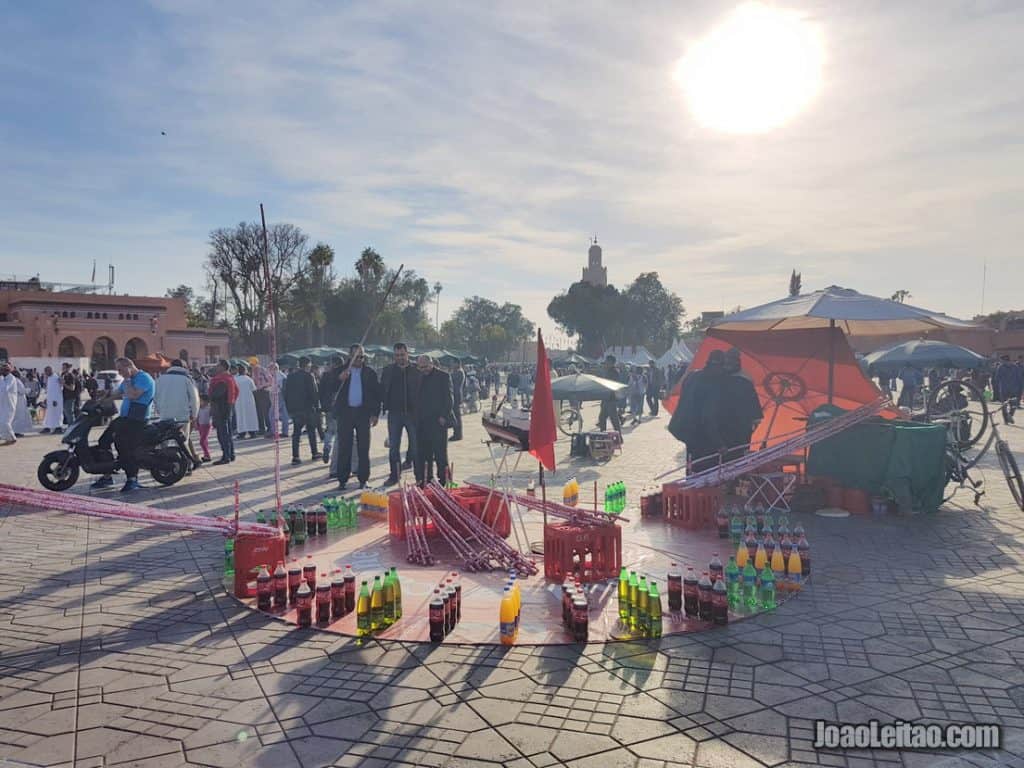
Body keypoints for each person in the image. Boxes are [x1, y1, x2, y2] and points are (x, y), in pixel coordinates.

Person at [92, 357, 156, 492]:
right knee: (104, 440)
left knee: (124, 447)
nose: (119, 373)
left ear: (129, 366)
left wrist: (127, 379)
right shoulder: (128, 380)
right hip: (125, 418)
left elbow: (133, 395)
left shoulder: (144, 378)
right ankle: (107, 474)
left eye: (120, 369)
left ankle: (132, 480)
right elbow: (118, 393)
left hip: (137, 420)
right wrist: (101, 400)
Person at [668, 349, 727, 472]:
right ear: (719, 367)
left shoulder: (692, 375)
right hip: (701, 434)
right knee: (703, 470)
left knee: (691, 463)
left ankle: (690, 482)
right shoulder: (712, 384)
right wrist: (719, 444)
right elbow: (708, 417)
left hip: (685, 428)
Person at [333, 345, 381, 489]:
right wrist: (339, 379)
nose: (359, 359)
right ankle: (342, 479)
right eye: (356, 356)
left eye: (362, 356)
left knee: (363, 447)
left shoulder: (370, 373)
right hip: (345, 413)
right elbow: (327, 388)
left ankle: (363, 479)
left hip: (363, 413)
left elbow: (376, 395)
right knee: (344, 447)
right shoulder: (339, 371)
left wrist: (375, 414)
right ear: (350, 356)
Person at [380, 342, 421, 485]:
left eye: (402, 355)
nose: (400, 358)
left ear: (407, 353)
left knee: (416, 447)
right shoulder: (388, 370)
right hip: (394, 414)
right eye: (397, 355)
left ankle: (419, 476)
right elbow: (381, 390)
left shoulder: (417, 370)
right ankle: (394, 475)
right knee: (394, 447)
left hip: (413, 414)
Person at [155, 358, 201, 470]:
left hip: (165, 416)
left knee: (164, 441)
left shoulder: (160, 379)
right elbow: (195, 399)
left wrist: (159, 411)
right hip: (182, 416)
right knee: (183, 442)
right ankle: (186, 466)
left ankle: (165, 465)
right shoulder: (186, 379)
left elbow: (155, 397)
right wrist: (194, 415)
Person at [719, 348, 764, 461]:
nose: (729, 363)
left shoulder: (745, 379)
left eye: (731, 360)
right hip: (727, 424)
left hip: (738, 424)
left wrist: (755, 420)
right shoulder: (719, 377)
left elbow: (752, 401)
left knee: (735, 454)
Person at [415, 354, 453, 485]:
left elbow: (449, 399)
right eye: (420, 367)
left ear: (431, 364)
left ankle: (445, 481)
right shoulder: (418, 376)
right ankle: (427, 480)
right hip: (422, 422)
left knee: (440, 454)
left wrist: (443, 416)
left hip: (438, 422)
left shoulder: (443, 376)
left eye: (425, 366)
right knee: (424, 454)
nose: (423, 369)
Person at [284, 356, 320, 465]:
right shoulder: (309, 376)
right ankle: (314, 453)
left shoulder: (290, 377)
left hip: (295, 409)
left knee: (296, 433)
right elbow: (314, 392)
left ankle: (295, 457)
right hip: (308, 408)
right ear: (308, 365)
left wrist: (289, 408)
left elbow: (285, 393)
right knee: (311, 432)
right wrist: (317, 407)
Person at [209, 360, 239, 465]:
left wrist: (209, 396)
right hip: (229, 407)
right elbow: (237, 391)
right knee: (228, 433)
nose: (216, 367)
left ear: (222, 367)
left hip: (220, 409)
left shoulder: (221, 380)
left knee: (222, 434)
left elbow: (216, 395)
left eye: (218, 365)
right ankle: (231, 454)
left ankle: (226, 456)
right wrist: (231, 403)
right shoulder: (230, 378)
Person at [319, 355, 346, 469]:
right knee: (339, 432)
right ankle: (336, 456)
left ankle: (326, 447)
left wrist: (322, 405)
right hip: (339, 406)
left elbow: (320, 391)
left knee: (329, 430)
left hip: (328, 406)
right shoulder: (343, 375)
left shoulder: (325, 375)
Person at [993, 354, 1023, 425]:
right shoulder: (1015, 367)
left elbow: (996, 379)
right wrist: (1021, 388)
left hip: (1003, 389)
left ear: (1003, 360)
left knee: (1004, 405)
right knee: (1013, 405)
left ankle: (1006, 420)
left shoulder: (1000, 367)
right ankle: (1010, 415)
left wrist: (996, 388)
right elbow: (1020, 379)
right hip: (1013, 389)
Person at [597, 355, 622, 433]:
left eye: (607, 362)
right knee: (602, 418)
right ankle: (602, 434)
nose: (606, 363)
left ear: (611, 362)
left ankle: (619, 436)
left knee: (613, 418)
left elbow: (613, 384)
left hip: (611, 398)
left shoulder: (614, 372)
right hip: (606, 398)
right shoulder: (608, 371)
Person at [233, 364, 259, 439]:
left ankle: (242, 433)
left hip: (239, 400)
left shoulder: (235, 379)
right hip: (249, 400)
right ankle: (252, 432)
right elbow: (254, 389)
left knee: (241, 416)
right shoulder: (249, 379)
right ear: (245, 371)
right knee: (251, 416)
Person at [41, 365, 64, 433]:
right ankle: (47, 427)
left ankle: (58, 428)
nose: (45, 373)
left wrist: (55, 400)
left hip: (56, 400)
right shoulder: (49, 378)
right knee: (49, 414)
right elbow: (50, 390)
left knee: (57, 414)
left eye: (46, 372)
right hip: (50, 400)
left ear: (50, 370)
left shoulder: (56, 377)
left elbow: (59, 389)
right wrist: (46, 399)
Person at [252, 361, 272, 435]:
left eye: (252, 364)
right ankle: (261, 428)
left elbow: (270, 381)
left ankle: (269, 428)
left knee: (266, 411)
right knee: (259, 412)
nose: (252, 366)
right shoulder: (253, 372)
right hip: (257, 392)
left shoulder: (263, 371)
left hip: (264, 391)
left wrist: (263, 386)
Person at [0, 362, 17, 446]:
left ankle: (12, 438)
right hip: (3, 404)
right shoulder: (4, 379)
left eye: (2, 370)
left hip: (9, 404)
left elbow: (5, 389)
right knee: (2, 422)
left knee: (5, 422)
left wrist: (0, 378)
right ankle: (8, 438)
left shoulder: (11, 378)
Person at [12, 370, 31, 437]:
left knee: (15, 417)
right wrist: (28, 390)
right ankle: (16, 432)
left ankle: (14, 431)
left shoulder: (12, 381)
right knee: (18, 417)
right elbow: (22, 391)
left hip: (15, 401)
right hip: (19, 401)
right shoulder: (17, 381)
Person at [450, 360, 465, 441]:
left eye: (453, 363)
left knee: (456, 416)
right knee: (456, 415)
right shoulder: (457, 371)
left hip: (456, 396)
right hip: (455, 395)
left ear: (457, 364)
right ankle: (456, 433)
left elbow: (451, 378)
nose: (452, 365)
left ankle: (458, 434)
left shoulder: (459, 372)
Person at [61, 363, 79, 427]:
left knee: (69, 412)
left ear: (68, 368)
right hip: (65, 397)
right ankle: (70, 425)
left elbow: (72, 388)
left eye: (64, 367)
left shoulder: (71, 376)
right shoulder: (63, 375)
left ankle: (72, 426)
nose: (63, 369)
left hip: (70, 397)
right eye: (62, 367)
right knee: (66, 412)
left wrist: (63, 384)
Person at [196, 394, 213, 462]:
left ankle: (207, 455)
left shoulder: (209, 408)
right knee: (204, 441)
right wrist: (197, 424)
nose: (200, 402)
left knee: (202, 441)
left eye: (201, 401)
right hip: (201, 426)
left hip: (207, 426)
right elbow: (197, 417)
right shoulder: (198, 409)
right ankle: (206, 455)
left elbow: (212, 415)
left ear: (206, 401)